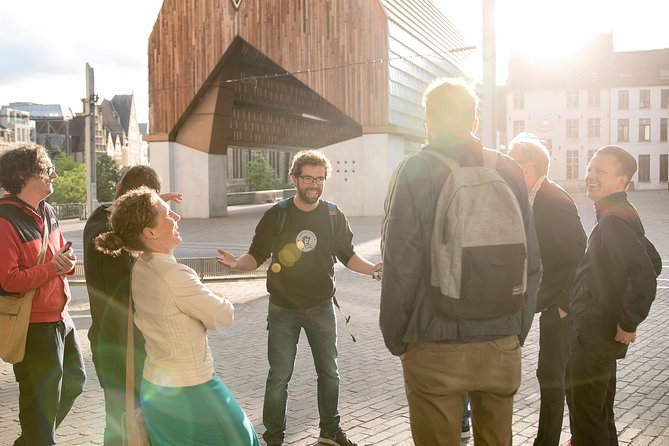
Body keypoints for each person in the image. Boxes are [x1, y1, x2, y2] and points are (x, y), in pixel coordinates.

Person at [379, 78, 541, 445]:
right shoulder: (510, 169)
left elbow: (400, 262)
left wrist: (398, 338)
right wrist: (516, 329)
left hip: (433, 341)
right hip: (501, 340)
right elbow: (532, 260)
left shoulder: (415, 170)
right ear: (474, 123)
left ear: (428, 122)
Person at [216, 150, 383, 446]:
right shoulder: (277, 214)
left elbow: (348, 256)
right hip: (283, 309)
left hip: (321, 307)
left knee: (330, 374)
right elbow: (256, 254)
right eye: (308, 178)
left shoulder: (333, 215)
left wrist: (372, 270)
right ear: (294, 178)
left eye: (320, 179)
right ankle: (274, 437)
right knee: (279, 378)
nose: (314, 185)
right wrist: (237, 264)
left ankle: (330, 431)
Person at [94, 186, 259, 446]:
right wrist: (211, 292)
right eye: (168, 214)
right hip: (191, 389)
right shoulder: (175, 275)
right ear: (149, 232)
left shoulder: (141, 266)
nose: (177, 218)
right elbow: (224, 316)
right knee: (242, 439)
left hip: (156, 388)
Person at [568, 145, 662, 446]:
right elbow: (654, 261)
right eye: (589, 169)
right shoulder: (619, 213)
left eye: (600, 172)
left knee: (587, 420)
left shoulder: (613, 220)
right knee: (599, 413)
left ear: (621, 180)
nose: (590, 177)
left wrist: (628, 321)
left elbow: (645, 274)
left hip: (595, 333)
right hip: (598, 332)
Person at [83, 165, 182, 445]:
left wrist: (154, 205)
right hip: (128, 347)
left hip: (107, 341)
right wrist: (157, 222)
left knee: (120, 421)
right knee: (129, 425)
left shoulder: (98, 219)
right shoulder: (121, 239)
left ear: (118, 188)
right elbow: (141, 291)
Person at [0, 143, 86, 445]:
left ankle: (32, 439)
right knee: (41, 404)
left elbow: (57, 255)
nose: (56, 174)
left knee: (75, 382)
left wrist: (67, 263)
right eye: (48, 169)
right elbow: (8, 282)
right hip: (34, 326)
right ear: (26, 175)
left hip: (61, 318)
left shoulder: (47, 211)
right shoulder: (4, 220)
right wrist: (52, 268)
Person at [508, 133, 587, 446]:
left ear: (531, 168)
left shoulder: (554, 200)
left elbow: (581, 254)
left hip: (561, 304)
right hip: (544, 300)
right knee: (557, 377)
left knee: (554, 377)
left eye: (513, 162)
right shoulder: (528, 198)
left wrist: (564, 303)